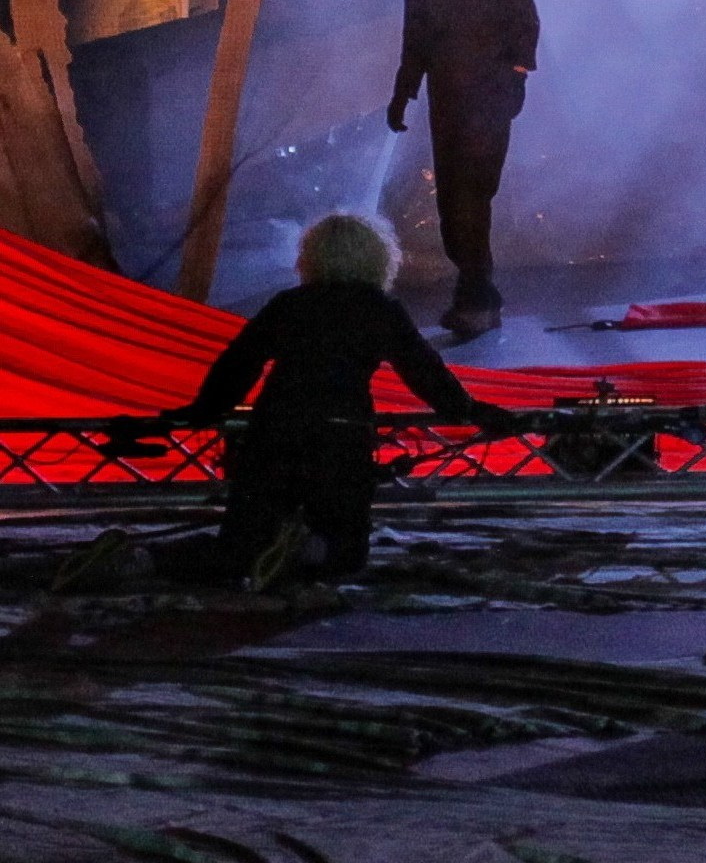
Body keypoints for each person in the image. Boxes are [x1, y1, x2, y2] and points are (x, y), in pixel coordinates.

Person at [169, 213, 495, 587]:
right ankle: (308, 554)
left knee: (245, 542)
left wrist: (205, 410)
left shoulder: (289, 304)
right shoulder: (379, 308)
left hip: (276, 431)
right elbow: (423, 371)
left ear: (311, 257)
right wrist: (467, 410)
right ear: (377, 258)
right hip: (341, 436)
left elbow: (239, 364)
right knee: (343, 553)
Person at [387, 0, 538, 337]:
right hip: (446, 93)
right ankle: (480, 294)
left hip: (490, 90)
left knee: (473, 194)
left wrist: (516, 76)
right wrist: (404, 89)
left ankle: (475, 298)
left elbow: (524, 17)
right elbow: (415, 27)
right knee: (452, 201)